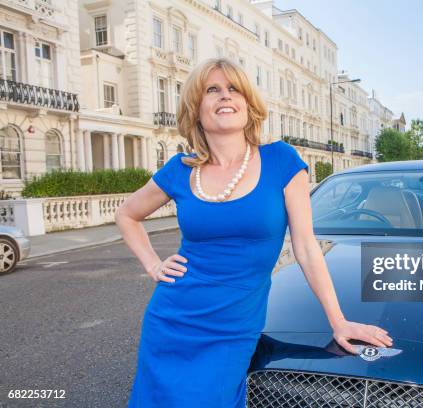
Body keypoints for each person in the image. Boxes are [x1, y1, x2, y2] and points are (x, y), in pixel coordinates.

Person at [115, 58, 393, 407]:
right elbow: (127, 215)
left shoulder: (281, 160)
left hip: (234, 326)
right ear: (196, 108)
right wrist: (153, 264)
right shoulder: (180, 170)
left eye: (234, 89)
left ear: (248, 103)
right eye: (212, 90)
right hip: (172, 319)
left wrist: (338, 322)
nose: (224, 96)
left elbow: (306, 248)